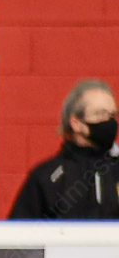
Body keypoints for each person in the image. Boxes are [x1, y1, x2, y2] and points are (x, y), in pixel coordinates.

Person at [8, 79, 119, 219]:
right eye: (101, 114)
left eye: (112, 115)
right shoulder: (47, 177)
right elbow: (19, 229)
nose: (109, 121)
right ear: (76, 123)